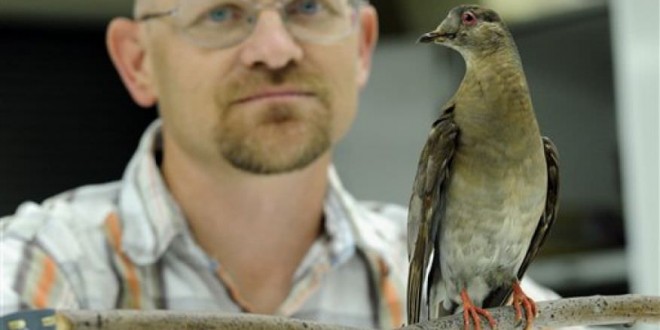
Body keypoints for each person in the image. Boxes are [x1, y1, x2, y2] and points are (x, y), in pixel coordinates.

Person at [0, 0, 573, 328]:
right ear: (136, 60)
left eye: (307, 6)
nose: (274, 50)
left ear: (363, 46)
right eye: (221, 12)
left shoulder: (541, 314)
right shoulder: (35, 268)